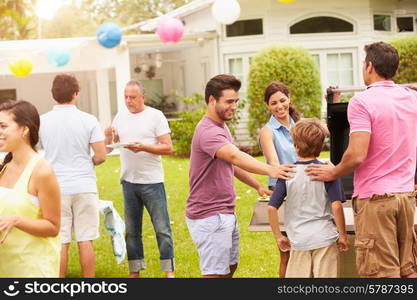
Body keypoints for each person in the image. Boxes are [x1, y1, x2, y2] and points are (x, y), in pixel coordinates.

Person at [306, 41, 417, 278]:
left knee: (382, 276)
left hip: (376, 200)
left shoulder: (361, 101)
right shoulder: (411, 98)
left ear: (369, 67)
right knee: (408, 270)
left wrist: (332, 173)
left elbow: (357, 154)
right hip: (406, 199)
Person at [186, 74, 295, 278]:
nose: (234, 106)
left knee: (229, 268)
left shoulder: (221, 127)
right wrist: (271, 170)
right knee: (214, 275)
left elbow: (230, 163)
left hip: (224, 211)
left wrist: (257, 185)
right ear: (212, 100)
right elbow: (235, 156)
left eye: (235, 101)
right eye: (229, 101)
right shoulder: (208, 131)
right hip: (210, 214)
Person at [104, 80, 175, 278]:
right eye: (126, 97)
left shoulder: (155, 116)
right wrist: (109, 136)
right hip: (129, 181)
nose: (129, 101)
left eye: (133, 97)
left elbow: (168, 147)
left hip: (152, 181)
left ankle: (169, 271)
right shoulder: (120, 116)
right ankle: (134, 270)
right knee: (132, 231)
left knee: (162, 229)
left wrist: (143, 147)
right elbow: (114, 143)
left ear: (143, 97)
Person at [39, 73, 106, 278]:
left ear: (53, 94)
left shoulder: (42, 121)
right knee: (85, 239)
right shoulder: (88, 120)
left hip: (55, 189)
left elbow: (37, 153)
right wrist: (88, 163)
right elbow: (101, 155)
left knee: (61, 240)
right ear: (76, 93)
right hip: (84, 186)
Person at [268, 118, 348, 278]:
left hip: (298, 240)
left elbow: (271, 208)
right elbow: (337, 206)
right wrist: (343, 236)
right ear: (320, 148)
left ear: (296, 146)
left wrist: (278, 236)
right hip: (325, 238)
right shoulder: (328, 171)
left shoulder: (287, 172)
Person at [0, 100, 61, 277]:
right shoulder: (4, 166)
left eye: (3, 126)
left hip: (32, 271)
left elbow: (53, 226)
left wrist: (17, 221)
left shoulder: (42, 171)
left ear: (24, 129)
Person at [258, 81, 300, 278]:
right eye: (273, 103)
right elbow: (274, 163)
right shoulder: (268, 131)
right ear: (268, 105)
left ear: (289, 99)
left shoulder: (300, 125)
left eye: (282, 100)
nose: (279, 106)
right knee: (287, 252)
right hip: (282, 192)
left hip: (303, 189)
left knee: (305, 250)